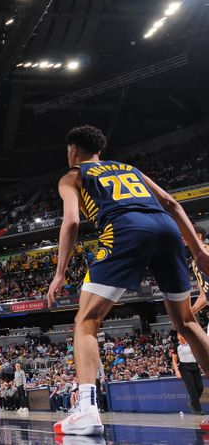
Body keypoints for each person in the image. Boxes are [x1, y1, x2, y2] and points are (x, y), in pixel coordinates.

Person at [46, 125, 209, 435]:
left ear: (73, 150)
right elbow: (171, 204)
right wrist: (198, 250)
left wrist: (60, 272)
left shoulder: (73, 175)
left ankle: (86, 410)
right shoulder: (129, 169)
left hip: (125, 229)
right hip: (167, 230)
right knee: (186, 321)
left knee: (86, 320)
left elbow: (71, 222)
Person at [172, 333, 204, 415]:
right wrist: (177, 370)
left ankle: (193, 403)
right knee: (192, 389)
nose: (180, 337)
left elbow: (198, 355)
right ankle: (197, 409)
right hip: (184, 368)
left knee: (200, 387)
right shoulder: (176, 346)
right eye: (178, 335)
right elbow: (174, 361)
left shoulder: (191, 343)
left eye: (182, 335)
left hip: (195, 366)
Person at [189, 226, 209, 333]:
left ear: (198, 236)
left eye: (185, 234)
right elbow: (204, 296)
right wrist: (187, 315)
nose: (182, 237)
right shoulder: (194, 263)